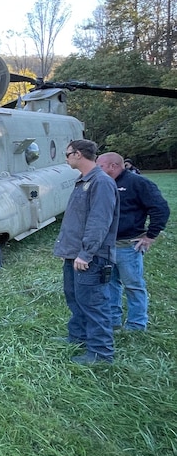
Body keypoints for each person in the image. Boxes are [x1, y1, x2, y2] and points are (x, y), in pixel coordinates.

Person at [53, 139, 120, 365]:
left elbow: (99, 221)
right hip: (74, 254)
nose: (66, 158)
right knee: (75, 298)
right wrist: (70, 251)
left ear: (79, 154)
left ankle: (101, 354)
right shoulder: (83, 181)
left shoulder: (101, 183)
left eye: (68, 154)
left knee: (94, 304)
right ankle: (79, 338)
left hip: (91, 258)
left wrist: (86, 253)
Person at [96, 152, 170, 331]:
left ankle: (136, 324)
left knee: (133, 285)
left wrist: (150, 235)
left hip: (127, 246)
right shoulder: (103, 184)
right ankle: (113, 320)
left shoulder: (138, 183)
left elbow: (161, 208)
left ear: (113, 166)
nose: (97, 170)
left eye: (101, 166)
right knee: (110, 283)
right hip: (105, 246)